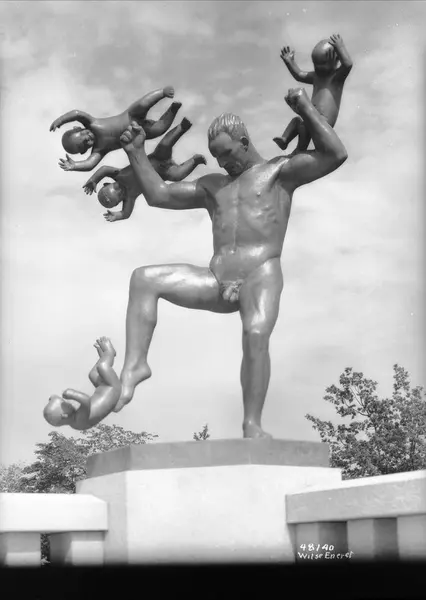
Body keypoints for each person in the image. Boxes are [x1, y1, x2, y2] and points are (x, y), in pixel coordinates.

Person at [114, 86, 348, 439]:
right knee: (144, 278)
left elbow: (335, 154)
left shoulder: (279, 172)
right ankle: (135, 366)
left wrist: (304, 107)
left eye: (226, 154)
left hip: (260, 271)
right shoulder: (213, 185)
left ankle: (252, 424)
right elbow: (160, 195)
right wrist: (135, 153)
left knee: (255, 333)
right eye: (217, 157)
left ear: (244, 141)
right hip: (216, 276)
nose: (223, 163)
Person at [82, 118, 206, 222]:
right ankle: (195, 160)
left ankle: (181, 127)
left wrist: (94, 180)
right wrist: (117, 216)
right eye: (120, 195)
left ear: (107, 183)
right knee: (178, 175)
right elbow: (126, 214)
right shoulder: (130, 197)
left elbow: (104, 169)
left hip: (157, 158)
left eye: (115, 187)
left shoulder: (118, 175)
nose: (121, 190)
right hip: (164, 173)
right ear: (120, 201)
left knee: (165, 145)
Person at [50, 86, 181, 172]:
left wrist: (61, 120)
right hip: (137, 133)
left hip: (131, 115)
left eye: (83, 134)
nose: (87, 138)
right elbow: (90, 164)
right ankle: (173, 110)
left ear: (78, 127)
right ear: (84, 151)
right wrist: (75, 165)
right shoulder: (99, 149)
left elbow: (77, 113)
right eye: (85, 144)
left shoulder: (92, 123)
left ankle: (162, 93)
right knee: (159, 129)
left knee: (143, 104)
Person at [273, 33, 353, 153]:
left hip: (324, 120)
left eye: (323, 64)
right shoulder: (317, 77)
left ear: (336, 60)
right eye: (316, 65)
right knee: (297, 122)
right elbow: (299, 75)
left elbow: (348, 64)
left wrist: (340, 48)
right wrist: (289, 62)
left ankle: (300, 148)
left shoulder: (336, 78)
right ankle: (285, 140)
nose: (318, 68)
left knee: (305, 127)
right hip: (311, 115)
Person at [43, 337, 121, 430]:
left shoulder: (76, 423)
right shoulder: (79, 421)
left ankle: (104, 357)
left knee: (93, 374)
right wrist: (72, 394)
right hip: (112, 388)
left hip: (104, 391)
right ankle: (110, 353)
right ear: (64, 415)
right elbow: (86, 401)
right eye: (65, 404)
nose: (69, 403)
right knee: (102, 367)